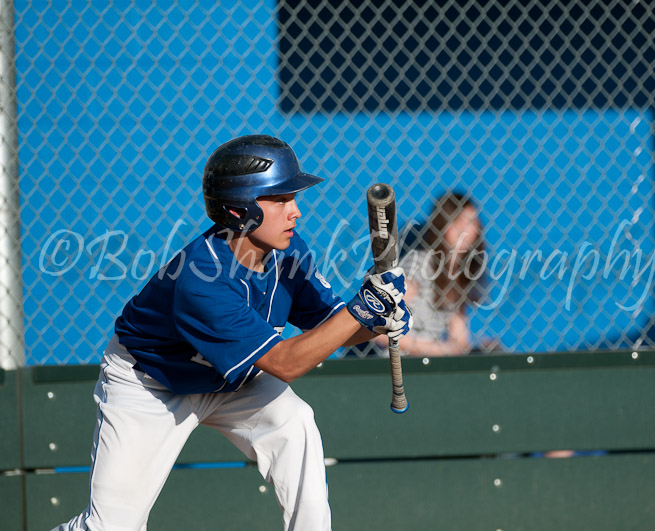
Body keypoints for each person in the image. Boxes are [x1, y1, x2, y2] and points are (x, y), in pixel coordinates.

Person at [54, 135, 412, 531]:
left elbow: (330, 327)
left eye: (292, 198)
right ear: (237, 209)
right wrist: (361, 310)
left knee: (295, 425)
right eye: (279, 199)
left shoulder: (290, 254)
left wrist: (375, 324)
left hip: (233, 379)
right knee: (111, 527)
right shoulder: (201, 279)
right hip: (153, 384)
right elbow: (285, 364)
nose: (295, 212)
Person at [374, 191, 487, 357]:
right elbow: (379, 330)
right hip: (397, 360)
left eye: (471, 222)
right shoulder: (420, 265)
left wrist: (481, 348)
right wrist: (436, 350)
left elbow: (459, 339)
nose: (466, 231)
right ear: (442, 225)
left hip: (432, 361)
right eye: (457, 222)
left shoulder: (460, 272)